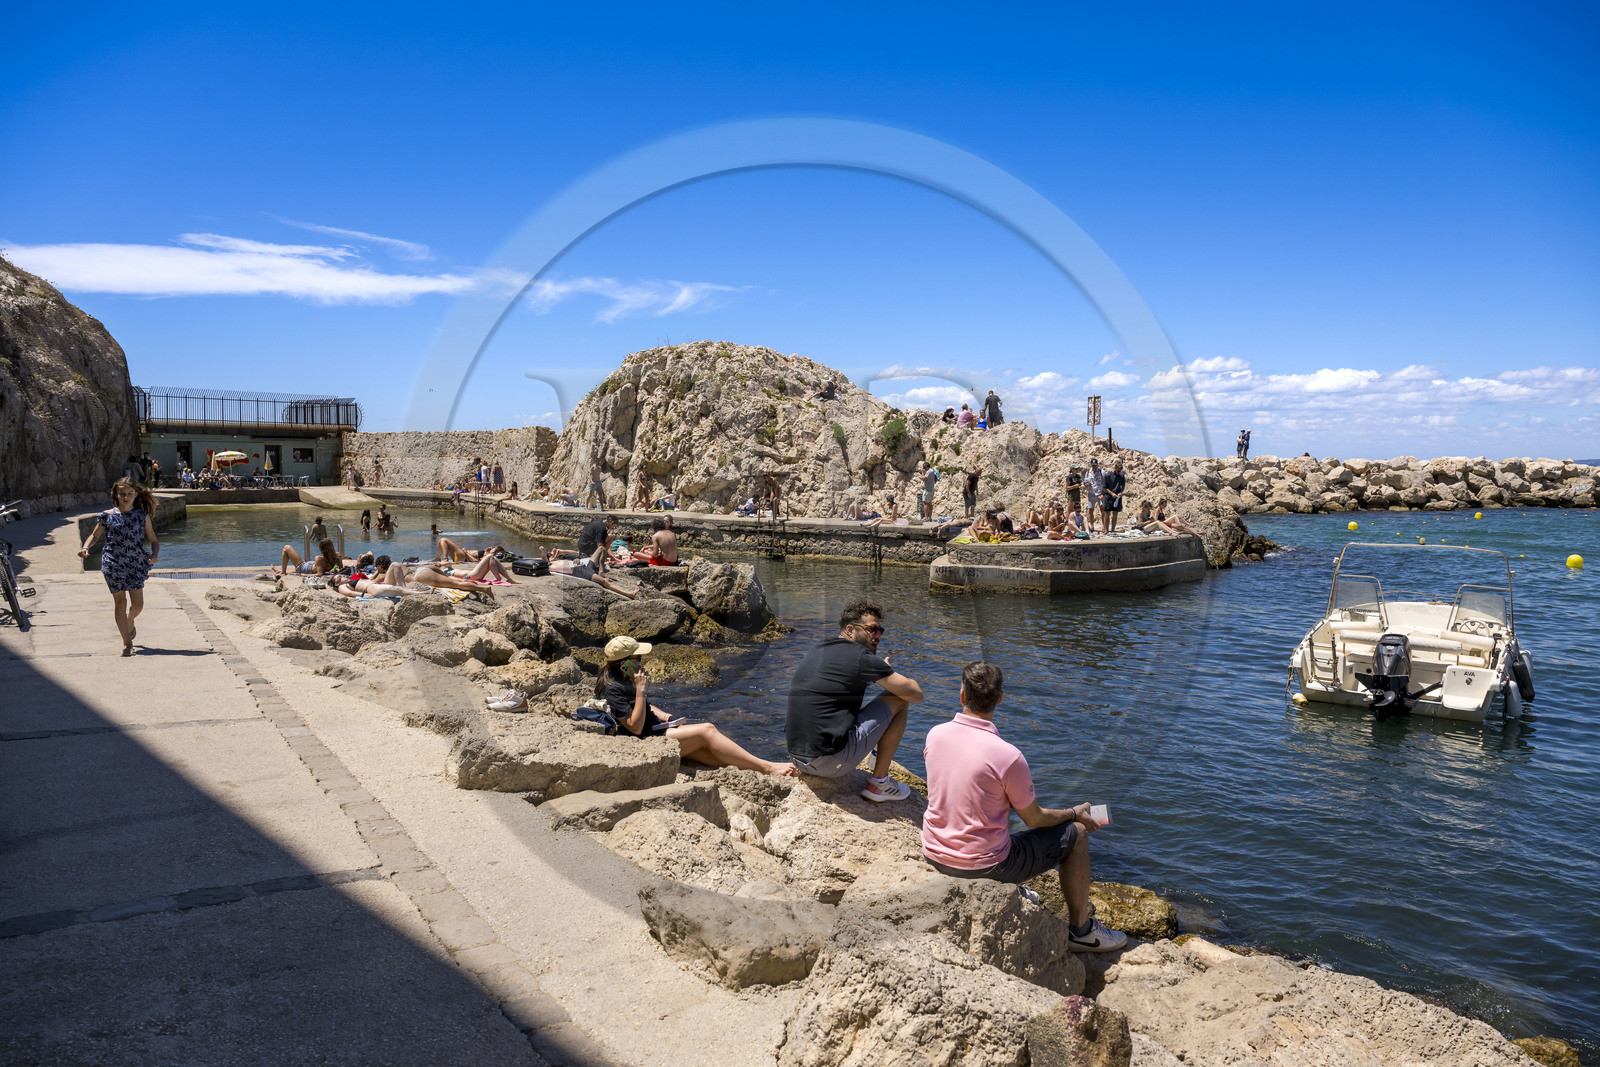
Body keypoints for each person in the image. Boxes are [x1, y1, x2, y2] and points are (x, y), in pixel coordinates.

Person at [921, 661, 1128, 953]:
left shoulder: (935, 734)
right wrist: (1074, 814)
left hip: (934, 854)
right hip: (983, 866)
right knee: (1077, 833)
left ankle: (1013, 891)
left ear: (962, 695)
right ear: (1000, 698)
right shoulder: (1008, 756)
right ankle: (1081, 931)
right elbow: (1033, 818)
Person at [784, 599, 924, 802]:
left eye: (880, 630)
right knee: (899, 699)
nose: (878, 636)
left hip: (796, 757)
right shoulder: (861, 657)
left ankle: (875, 753)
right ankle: (879, 784)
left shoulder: (819, 647)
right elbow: (916, 694)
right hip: (826, 762)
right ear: (850, 629)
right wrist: (888, 671)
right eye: (872, 629)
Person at [599, 636, 799, 775]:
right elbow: (634, 726)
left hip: (656, 728)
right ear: (623, 663)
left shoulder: (624, 679)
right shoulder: (613, 688)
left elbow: (644, 707)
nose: (641, 661)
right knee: (707, 730)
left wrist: (666, 716)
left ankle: (767, 767)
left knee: (716, 760)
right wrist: (641, 689)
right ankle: (769, 768)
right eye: (637, 658)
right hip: (648, 739)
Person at [79, 477, 161, 655]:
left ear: (136, 494)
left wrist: (154, 555)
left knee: (137, 605)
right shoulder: (107, 515)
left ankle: (129, 621)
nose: (126, 496)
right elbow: (94, 536)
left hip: (136, 562)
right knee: (120, 602)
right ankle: (127, 643)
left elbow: (154, 541)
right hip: (112, 562)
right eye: (122, 493)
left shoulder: (141, 516)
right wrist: (86, 547)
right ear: (115, 494)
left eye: (130, 493)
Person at [276, 537, 342, 577]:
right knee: (295, 571)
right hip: (312, 565)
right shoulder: (337, 556)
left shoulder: (320, 559)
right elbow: (342, 570)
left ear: (321, 549)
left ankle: (283, 572)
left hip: (305, 568)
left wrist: (305, 575)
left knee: (286, 548)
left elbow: (319, 574)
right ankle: (281, 571)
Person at [1101, 460, 1126, 534]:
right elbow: (1104, 488)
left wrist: (1121, 492)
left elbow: (1123, 486)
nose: (1118, 473)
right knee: (1107, 514)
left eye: (1120, 471)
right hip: (1109, 496)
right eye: (1118, 471)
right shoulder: (1107, 475)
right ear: (1114, 467)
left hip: (1117, 497)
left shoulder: (1121, 476)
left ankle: (1112, 530)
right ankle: (1106, 530)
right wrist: (1111, 493)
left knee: (1115, 513)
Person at [1082, 459, 1104, 532]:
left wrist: (1103, 493)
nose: (1094, 467)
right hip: (1091, 493)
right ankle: (1092, 526)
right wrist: (1086, 484)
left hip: (1100, 492)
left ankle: (1104, 525)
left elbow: (1105, 483)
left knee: (1102, 509)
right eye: (1093, 465)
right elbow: (1085, 482)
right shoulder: (1088, 472)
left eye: (1095, 465)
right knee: (1091, 510)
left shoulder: (1101, 472)